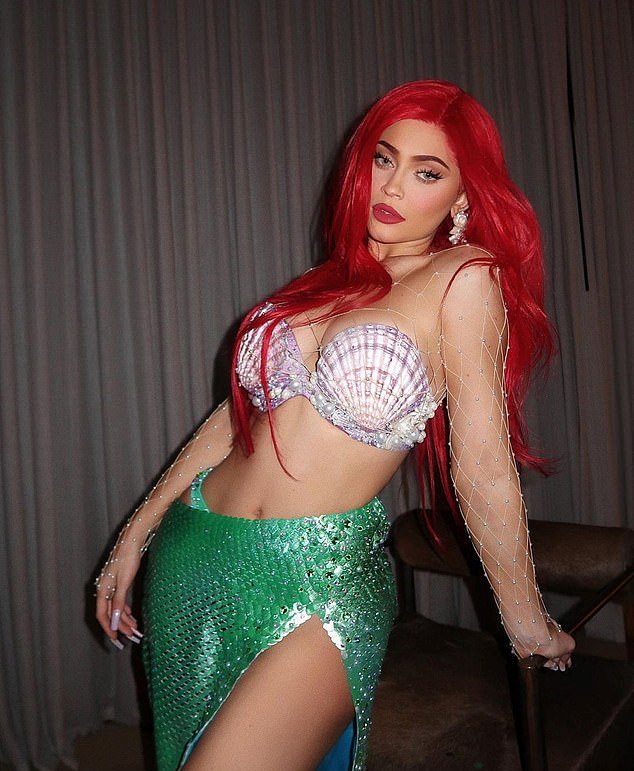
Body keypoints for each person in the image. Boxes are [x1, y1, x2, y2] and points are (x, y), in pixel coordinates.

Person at [95, 80, 575, 771]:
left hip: (321, 578)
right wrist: (135, 533)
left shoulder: (463, 279)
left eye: (427, 172)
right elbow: (237, 419)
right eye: (384, 158)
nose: (393, 185)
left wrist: (524, 619)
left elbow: (482, 464)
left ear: (463, 197)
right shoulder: (329, 281)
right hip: (195, 552)